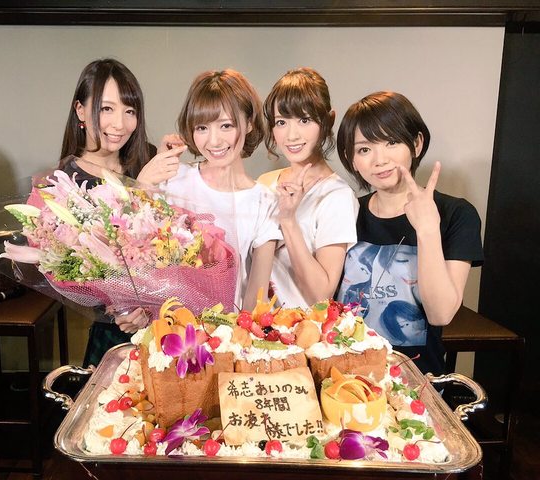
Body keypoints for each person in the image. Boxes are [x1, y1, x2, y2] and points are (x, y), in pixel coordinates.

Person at [335, 91, 483, 375]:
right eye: (364, 149)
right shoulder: (345, 213)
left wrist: (427, 230)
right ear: (351, 159)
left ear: (416, 143)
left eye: (391, 142)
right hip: (343, 375)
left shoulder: (456, 213)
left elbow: (441, 313)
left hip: (416, 380)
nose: (379, 160)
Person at [57, 58, 186, 366]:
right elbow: (71, 272)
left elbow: (175, 239)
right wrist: (119, 308)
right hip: (115, 333)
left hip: (169, 324)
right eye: (107, 109)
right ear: (80, 111)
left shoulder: (147, 158)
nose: (120, 123)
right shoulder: (67, 182)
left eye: (130, 111)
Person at [163, 69, 280, 310]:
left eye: (226, 126)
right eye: (202, 128)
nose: (214, 141)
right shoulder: (174, 180)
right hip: (168, 325)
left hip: (228, 327)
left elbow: (256, 298)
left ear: (249, 123)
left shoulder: (265, 201)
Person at [258, 67, 358, 309]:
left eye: (304, 120)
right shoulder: (264, 183)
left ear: (328, 120)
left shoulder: (336, 196)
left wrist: (288, 220)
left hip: (300, 326)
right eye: (281, 122)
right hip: (250, 322)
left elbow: (321, 295)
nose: (291, 135)